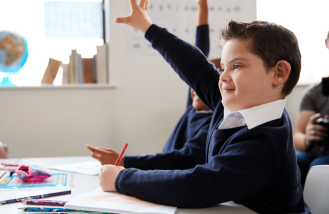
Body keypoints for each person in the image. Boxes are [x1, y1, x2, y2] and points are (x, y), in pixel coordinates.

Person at [97, 0, 310, 213]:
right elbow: (193, 64)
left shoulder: (264, 145)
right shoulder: (237, 105)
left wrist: (121, 178)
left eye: (237, 66)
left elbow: (195, 186)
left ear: (278, 73)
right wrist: (146, 27)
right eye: (223, 67)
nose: (223, 76)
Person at [87, 0, 214, 170]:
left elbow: (182, 159)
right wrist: (202, 7)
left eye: (201, 86)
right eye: (194, 86)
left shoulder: (212, 126)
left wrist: (125, 161)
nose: (194, 90)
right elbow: (199, 55)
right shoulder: (194, 107)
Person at [293, 30, 329, 188]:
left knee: (318, 166)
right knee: (292, 162)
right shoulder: (315, 92)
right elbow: (298, 136)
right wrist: (308, 138)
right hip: (319, 150)